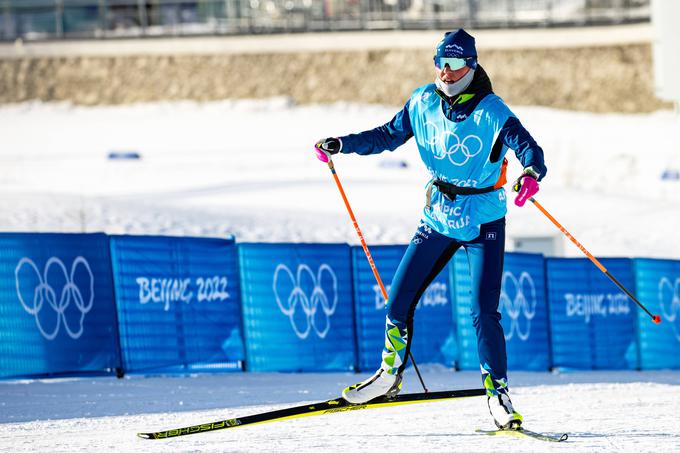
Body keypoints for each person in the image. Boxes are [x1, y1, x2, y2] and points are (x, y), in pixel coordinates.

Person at [313, 28, 546, 430]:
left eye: (455, 64)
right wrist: (342, 143)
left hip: (483, 219)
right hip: (438, 216)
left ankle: (498, 395)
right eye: (440, 63)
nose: (446, 72)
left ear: (471, 66)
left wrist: (530, 173)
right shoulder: (422, 101)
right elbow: (387, 135)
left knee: (483, 312)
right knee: (397, 302)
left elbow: (530, 148)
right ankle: (388, 376)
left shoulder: (493, 111)